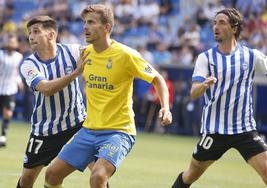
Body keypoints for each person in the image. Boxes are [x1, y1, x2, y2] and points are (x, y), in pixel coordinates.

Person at [44, 4, 172, 188]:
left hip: (118, 132)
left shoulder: (126, 55)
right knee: (52, 175)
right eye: (84, 22)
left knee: (97, 176)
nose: (85, 27)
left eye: (91, 22)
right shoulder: (86, 53)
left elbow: (158, 79)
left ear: (106, 27)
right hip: (88, 130)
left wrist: (165, 108)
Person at [172, 8, 267, 188]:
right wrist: (204, 85)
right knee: (191, 175)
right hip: (215, 131)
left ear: (234, 28)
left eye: (222, 22)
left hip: (244, 129)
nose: (216, 27)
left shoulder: (251, 56)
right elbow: (193, 93)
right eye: (214, 23)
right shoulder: (205, 58)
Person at [17, 15, 87, 188]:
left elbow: (99, 54)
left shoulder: (73, 51)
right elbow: (46, 89)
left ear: (51, 35)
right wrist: (76, 74)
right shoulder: (28, 64)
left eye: (36, 31)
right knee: (27, 179)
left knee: (99, 170)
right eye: (29, 33)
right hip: (45, 129)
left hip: (78, 122)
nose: (31, 36)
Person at [0, 33, 23, 147]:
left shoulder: (19, 57)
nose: (11, 44)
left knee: (8, 113)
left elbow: (16, 72)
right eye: (9, 42)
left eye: (13, 42)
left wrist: (19, 82)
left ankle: (3, 136)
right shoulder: (0, 55)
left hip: (10, 89)